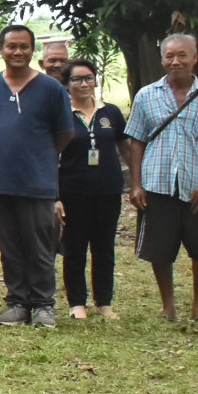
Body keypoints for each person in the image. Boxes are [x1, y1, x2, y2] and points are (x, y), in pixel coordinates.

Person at [125, 32, 198, 324]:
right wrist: (135, 184)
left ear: (194, 58)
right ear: (162, 59)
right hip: (157, 184)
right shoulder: (146, 95)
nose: (175, 62)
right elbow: (135, 141)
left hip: (196, 188)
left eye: (182, 55)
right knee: (159, 250)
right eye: (169, 56)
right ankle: (168, 307)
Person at [0, 25, 74, 326]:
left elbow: (65, 133)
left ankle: (44, 305)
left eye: (24, 47)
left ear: (33, 51)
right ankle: (18, 304)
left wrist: (39, 158)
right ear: (1, 49)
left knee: (40, 248)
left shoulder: (51, 89)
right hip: (0, 183)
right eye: (11, 46)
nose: (17, 52)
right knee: (10, 248)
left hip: (38, 184)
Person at [58, 57, 127, 321]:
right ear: (67, 84)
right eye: (77, 79)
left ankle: (104, 303)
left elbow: (124, 147)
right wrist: (56, 196)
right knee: (75, 248)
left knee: (104, 247)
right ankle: (77, 303)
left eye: (88, 78)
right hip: (73, 191)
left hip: (107, 191)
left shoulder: (111, 113)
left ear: (95, 80)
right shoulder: (62, 114)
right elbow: (52, 156)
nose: (84, 83)